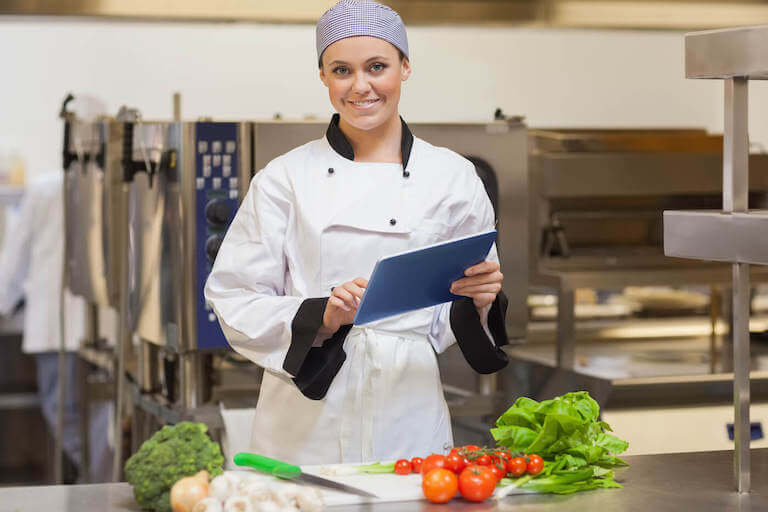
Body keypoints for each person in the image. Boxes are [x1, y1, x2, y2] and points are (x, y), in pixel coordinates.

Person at [205, 0, 509, 465]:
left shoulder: (452, 177)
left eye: (377, 67)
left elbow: (448, 315)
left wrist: (480, 298)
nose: (360, 86)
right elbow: (233, 297)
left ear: (405, 68)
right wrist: (322, 315)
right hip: (307, 417)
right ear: (323, 76)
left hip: (408, 410)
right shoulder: (284, 178)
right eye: (342, 70)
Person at [0, 172, 113, 483]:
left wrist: (3, 303)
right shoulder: (109, 184)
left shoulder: (43, 190)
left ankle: (94, 483)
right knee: (99, 417)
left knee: (65, 413)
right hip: (102, 328)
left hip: (57, 327)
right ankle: (97, 480)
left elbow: (15, 258)